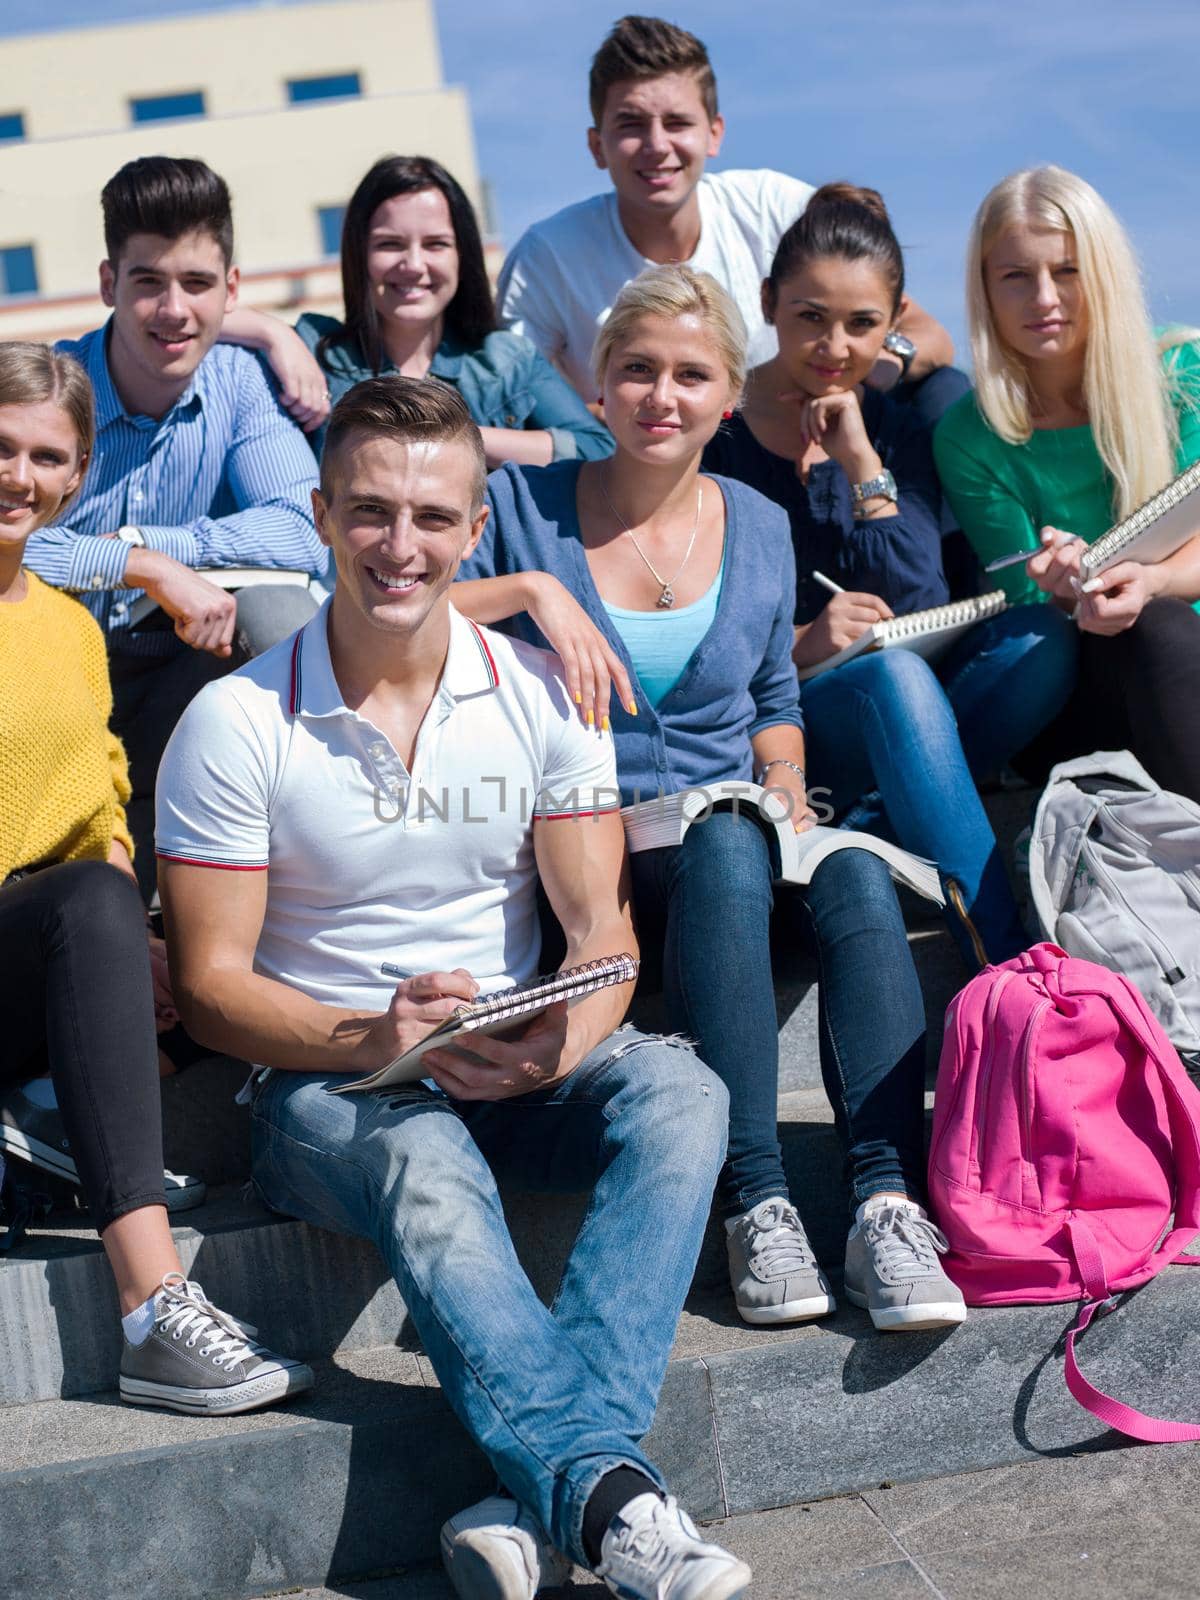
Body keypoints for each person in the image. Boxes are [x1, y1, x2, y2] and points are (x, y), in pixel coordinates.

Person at [156, 376, 752, 1600]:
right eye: (370, 512)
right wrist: (374, 1031)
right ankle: (610, 1494)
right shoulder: (233, 720)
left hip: (509, 1049)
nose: (400, 545)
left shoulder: (542, 691)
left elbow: (606, 937)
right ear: (321, 515)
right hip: (327, 1086)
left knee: (686, 1094)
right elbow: (212, 991)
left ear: (475, 531)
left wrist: (560, 1039)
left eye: (432, 518)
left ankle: (548, 1494)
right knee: (424, 1153)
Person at [455, 265, 966, 1340]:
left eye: (690, 374)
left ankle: (885, 1199)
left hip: (734, 821)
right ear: (596, 386)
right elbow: (394, 611)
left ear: (728, 394)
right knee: (729, 843)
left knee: (856, 867)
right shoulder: (521, 508)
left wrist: (788, 783)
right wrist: (529, 590)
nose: (660, 395)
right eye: (635, 370)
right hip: (592, 837)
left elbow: (774, 697)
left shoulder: (757, 518)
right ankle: (756, 1199)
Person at [0, 341, 313, 1413]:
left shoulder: (65, 628)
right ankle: (151, 1305)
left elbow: (98, 789)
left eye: (46, 457)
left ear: (77, 480)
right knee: (88, 906)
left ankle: (57, 1125)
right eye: (0, 446)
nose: (19, 476)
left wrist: (137, 941)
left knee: (141, 917)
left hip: (32, 949)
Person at [703, 184, 1069, 968]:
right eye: (810, 317)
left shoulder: (900, 424)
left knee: (1041, 640)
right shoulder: (714, 429)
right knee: (896, 683)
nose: (835, 346)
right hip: (791, 723)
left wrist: (862, 464)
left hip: (910, 707)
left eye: (863, 324)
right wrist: (800, 643)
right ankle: (1008, 964)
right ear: (768, 303)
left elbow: (920, 598)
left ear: (895, 318)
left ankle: (892, 817)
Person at [21, 156, 326, 894]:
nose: (173, 310)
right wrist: (137, 565)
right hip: (47, 673)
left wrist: (163, 547)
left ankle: (320, 863)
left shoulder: (241, 383)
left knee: (285, 612)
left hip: (181, 661)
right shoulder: (54, 388)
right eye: (148, 282)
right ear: (107, 286)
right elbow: (14, 535)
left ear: (231, 290)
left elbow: (302, 530)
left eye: (195, 284)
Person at [496, 14, 954, 409]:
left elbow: (929, 335)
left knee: (946, 392)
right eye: (631, 125)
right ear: (598, 146)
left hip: (794, 442)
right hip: (643, 470)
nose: (657, 146)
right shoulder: (547, 258)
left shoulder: (777, 209)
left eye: (677, 123)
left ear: (714, 134)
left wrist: (867, 373)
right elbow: (518, 400)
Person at [934, 165, 1200, 803]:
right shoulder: (969, 435)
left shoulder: (1184, 375)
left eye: (1067, 271)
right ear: (985, 290)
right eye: (1016, 276)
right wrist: (1065, 587)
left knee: (1164, 622)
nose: (1044, 298)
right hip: (1088, 684)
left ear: (1103, 274)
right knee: (1155, 630)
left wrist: (1156, 580)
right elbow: (1027, 597)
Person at [223, 155, 613, 468]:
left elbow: (597, 449)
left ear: (463, 255)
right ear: (359, 255)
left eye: (435, 244)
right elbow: (192, 321)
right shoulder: (314, 348)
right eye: (390, 244)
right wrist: (272, 333)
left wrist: (457, 438)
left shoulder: (505, 360)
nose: (413, 264)